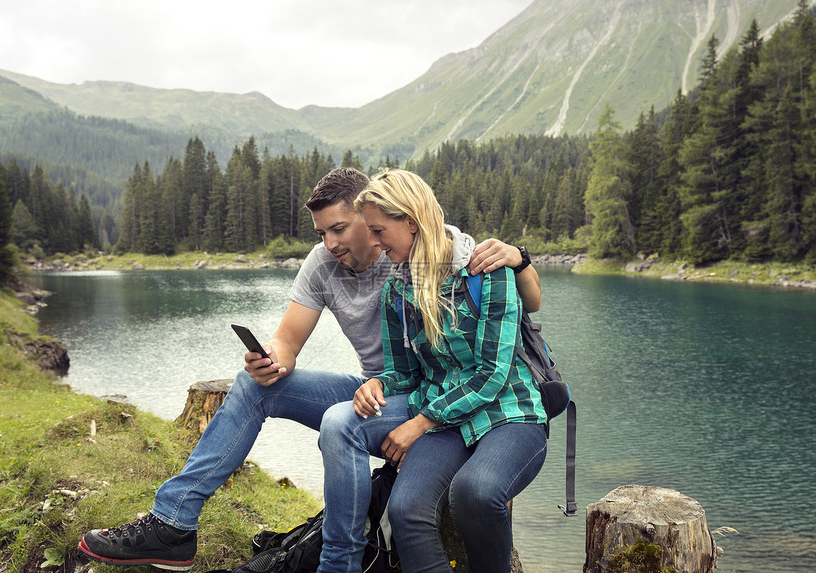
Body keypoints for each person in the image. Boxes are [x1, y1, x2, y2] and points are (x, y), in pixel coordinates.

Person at [78, 167, 542, 571]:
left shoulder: (418, 254)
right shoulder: (335, 266)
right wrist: (273, 359)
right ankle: (172, 524)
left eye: (340, 228)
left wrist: (520, 258)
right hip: (385, 387)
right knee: (254, 386)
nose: (330, 242)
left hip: (426, 397)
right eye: (321, 232)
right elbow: (289, 337)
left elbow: (526, 305)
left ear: (370, 215)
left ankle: (339, 560)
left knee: (347, 427)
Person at [317, 169, 547, 573]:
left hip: (510, 413)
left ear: (411, 222)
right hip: (447, 421)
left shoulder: (487, 272)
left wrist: (420, 422)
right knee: (406, 511)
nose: (371, 241)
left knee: (475, 492)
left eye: (378, 230)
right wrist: (376, 383)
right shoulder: (396, 290)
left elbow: (493, 374)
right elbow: (404, 374)